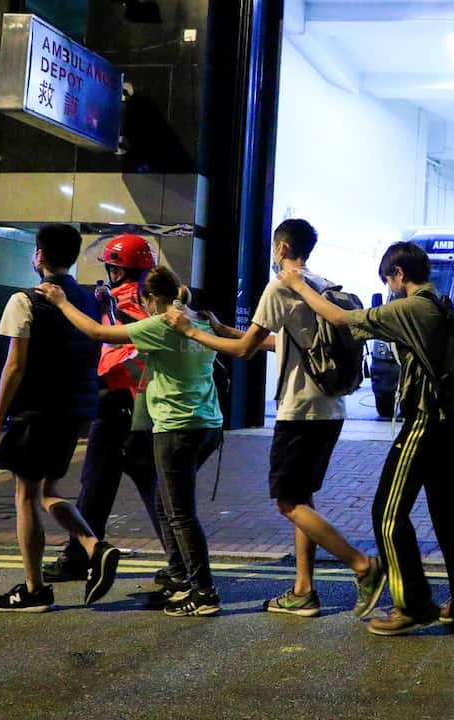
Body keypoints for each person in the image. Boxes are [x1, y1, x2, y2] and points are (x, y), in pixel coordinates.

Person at [162, 219, 385, 619]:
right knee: (302, 498)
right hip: (330, 408)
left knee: (287, 503)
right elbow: (280, 341)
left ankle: (362, 565)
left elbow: (245, 350)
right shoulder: (320, 283)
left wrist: (191, 332)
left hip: (299, 411)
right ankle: (303, 590)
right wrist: (224, 328)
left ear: (281, 248)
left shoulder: (280, 284)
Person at [276, 241, 454, 636]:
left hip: (425, 421)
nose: (389, 286)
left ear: (399, 275)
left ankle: (412, 603)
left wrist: (299, 285)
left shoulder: (411, 307)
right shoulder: (439, 304)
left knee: (387, 514)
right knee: (448, 513)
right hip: (450, 425)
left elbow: (340, 318)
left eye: (388, 280)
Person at [38, 267, 224, 616]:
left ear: (151, 299)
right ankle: (180, 576)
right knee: (162, 501)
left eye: (145, 302)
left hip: (176, 428)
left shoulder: (161, 324)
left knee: (180, 513)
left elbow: (96, 332)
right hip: (208, 425)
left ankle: (203, 592)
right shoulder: (200, 318)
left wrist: (62, 302)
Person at [0, 224, 119, 612]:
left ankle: (34, 589)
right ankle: (96, 547)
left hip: (34, 412)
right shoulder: (87, 299)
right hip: (74, 410)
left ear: (39, 255)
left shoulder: (25, 300)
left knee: (25, 495)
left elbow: (15, 366)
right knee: (48, 491)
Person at [42, 235, 167, 593]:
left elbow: (102, 336)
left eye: (111, 266)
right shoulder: (150, 298)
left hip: (119, 402)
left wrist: (65, 303)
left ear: (118, 268)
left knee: (128, 485)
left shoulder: (123, 299)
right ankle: (79, 555)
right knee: (103, 484)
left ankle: (180, 562)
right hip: (136, 404)